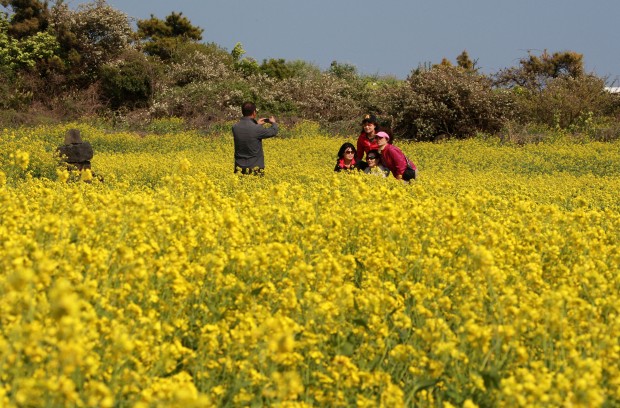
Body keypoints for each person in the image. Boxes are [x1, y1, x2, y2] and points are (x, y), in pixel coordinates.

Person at [232, 101, 278, 175]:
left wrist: (256, 124)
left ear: (242, 112)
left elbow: (248, 132)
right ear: (254, 112)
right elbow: (273, 131)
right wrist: (273, 123)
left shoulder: (235, 127)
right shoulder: (256, 128)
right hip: (255, 168)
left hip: (239, 168)